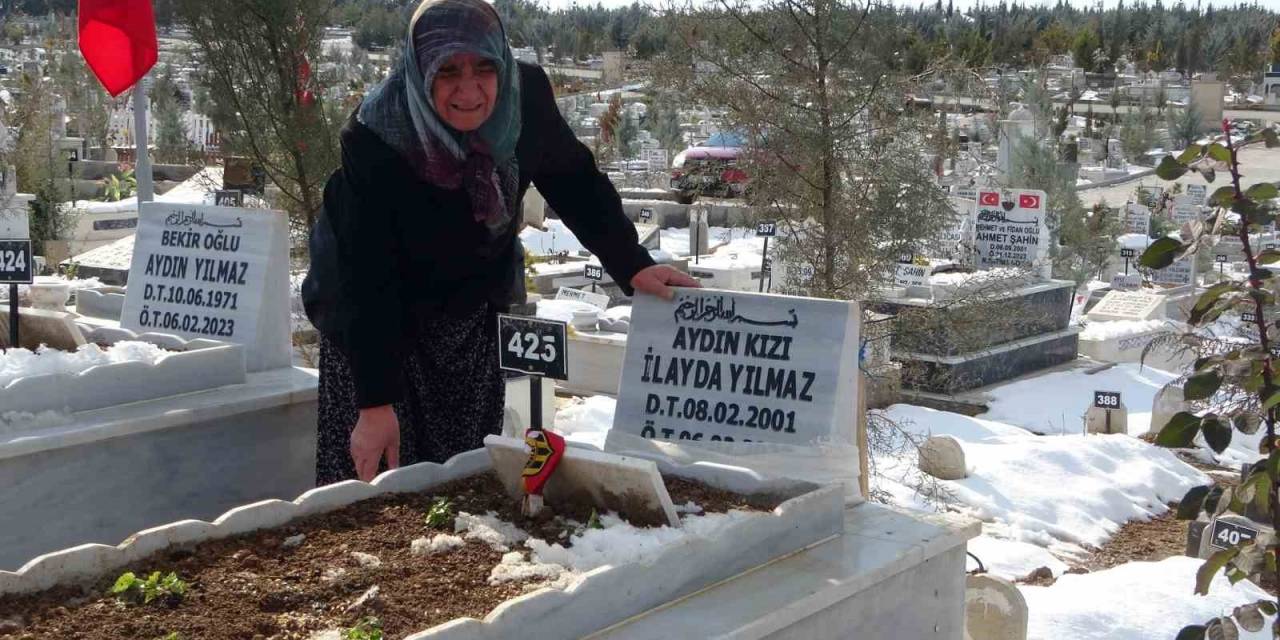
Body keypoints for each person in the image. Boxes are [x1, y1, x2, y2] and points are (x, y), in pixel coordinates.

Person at [302, 0, 697, 484]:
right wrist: (375, 400)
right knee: (376, 480)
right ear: (419, 68)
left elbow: (574, 181)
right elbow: (365, 273)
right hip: (371, 320)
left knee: (464, 477)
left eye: (483, 68)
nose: (468, 91)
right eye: (446, 71)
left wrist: (631, 264)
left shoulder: (525, 97)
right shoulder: (377, 137)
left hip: (466, 309)